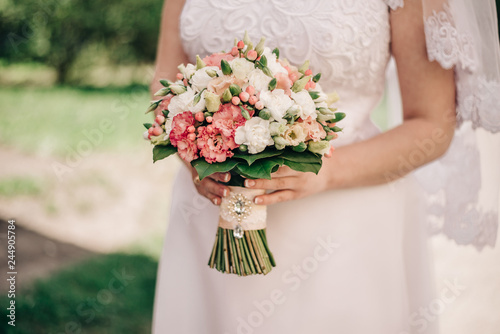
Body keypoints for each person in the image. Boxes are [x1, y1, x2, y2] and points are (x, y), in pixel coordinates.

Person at [150, 0, 500, 333]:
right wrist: (194, 156)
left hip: (341, 228)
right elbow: (164, 88)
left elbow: (432, 124)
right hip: (207, 215)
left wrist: (325, 172)